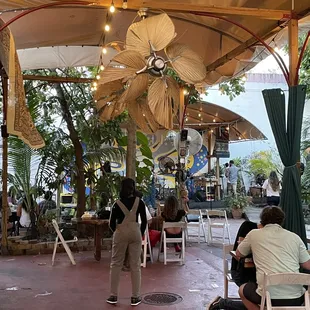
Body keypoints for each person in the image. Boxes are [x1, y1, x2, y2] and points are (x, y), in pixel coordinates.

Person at [237, 206, 310, 310]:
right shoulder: (294, 237)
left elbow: (239, 253)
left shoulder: (254, 234)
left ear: (262, 220)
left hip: (268, 297)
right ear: (282, 220)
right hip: (296, 297)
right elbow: (307, 264)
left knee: (242, 290)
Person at [107, 178, 147, 306]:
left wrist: (118, 232)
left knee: (116, 264)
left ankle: (113, 296)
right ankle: (135, 297)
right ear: (133, 188)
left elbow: (111, 223)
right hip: (135, 232)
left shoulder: (116, 204)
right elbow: (145, 221)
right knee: (135, 265)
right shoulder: (139, 202)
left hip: (120, 233)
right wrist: (139, 233)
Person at [207, 221, 259, 310]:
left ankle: (222, 303)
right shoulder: (249, 226)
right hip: (242, 272)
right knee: (259, 303)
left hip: (260, 276)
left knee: (260, 304)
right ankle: (223, 303)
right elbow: (240, 253)